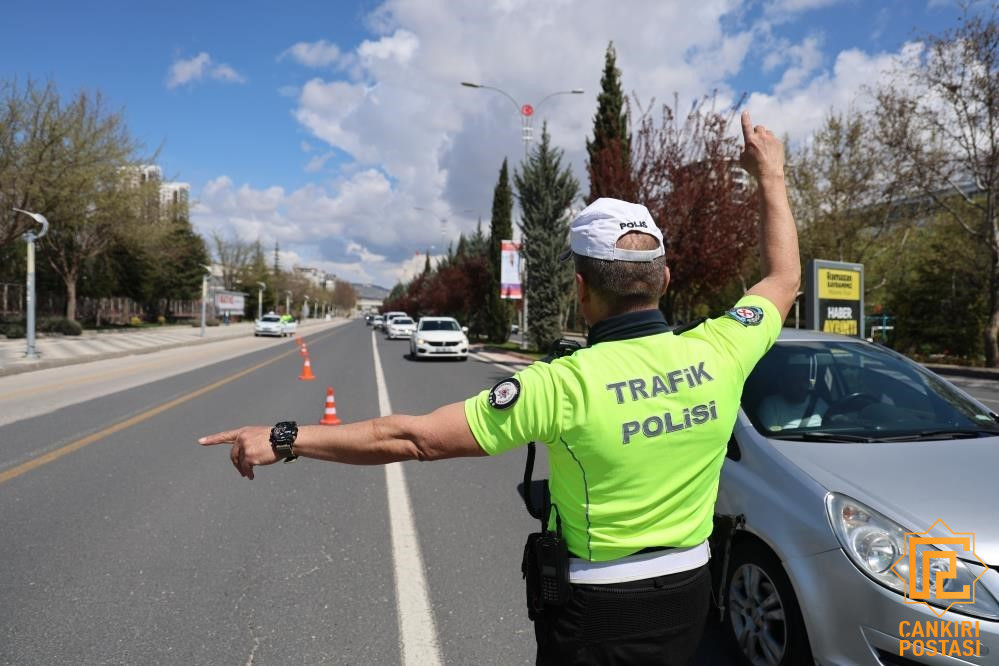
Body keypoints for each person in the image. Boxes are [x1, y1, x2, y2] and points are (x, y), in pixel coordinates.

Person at [198, 110, 800, 665]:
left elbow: (412, 438)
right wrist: (769, 174)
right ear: (664, 278)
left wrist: (286, 437)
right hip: (690, 596)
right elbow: (783, 278)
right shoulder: (722, 349)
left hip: (596, 612)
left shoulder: (561, 385)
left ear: (581, 289)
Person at [757, 354, 828, 430]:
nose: (802, 385)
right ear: (783, 384)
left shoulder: (820, 404)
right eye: (795, 380)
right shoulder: (770, 405)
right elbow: (768, 437)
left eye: (804, 379)